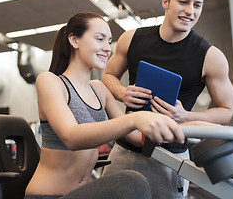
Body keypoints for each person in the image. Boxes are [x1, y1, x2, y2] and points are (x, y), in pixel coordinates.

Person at [101, 0, 233, 199]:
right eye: (183, 2)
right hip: (124, 150)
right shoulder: (132, 39)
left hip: (171, 159)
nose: (190, 11)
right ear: (165, 1)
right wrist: (122, 92)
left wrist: (186, 116)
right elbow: (108, 76)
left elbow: (229, 110)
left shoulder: (210, 56)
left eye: (197, 5)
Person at [24, 12, 186, 199]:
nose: (107, 48)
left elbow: (134, 137)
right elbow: (71, 137)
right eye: (100, 39)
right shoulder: (51, 82)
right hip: (48, 196)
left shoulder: (99, 89)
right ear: (74, 40)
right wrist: (135, 118)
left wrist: (171, 123)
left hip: (81, 193)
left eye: (109, 41)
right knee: (130, 182)